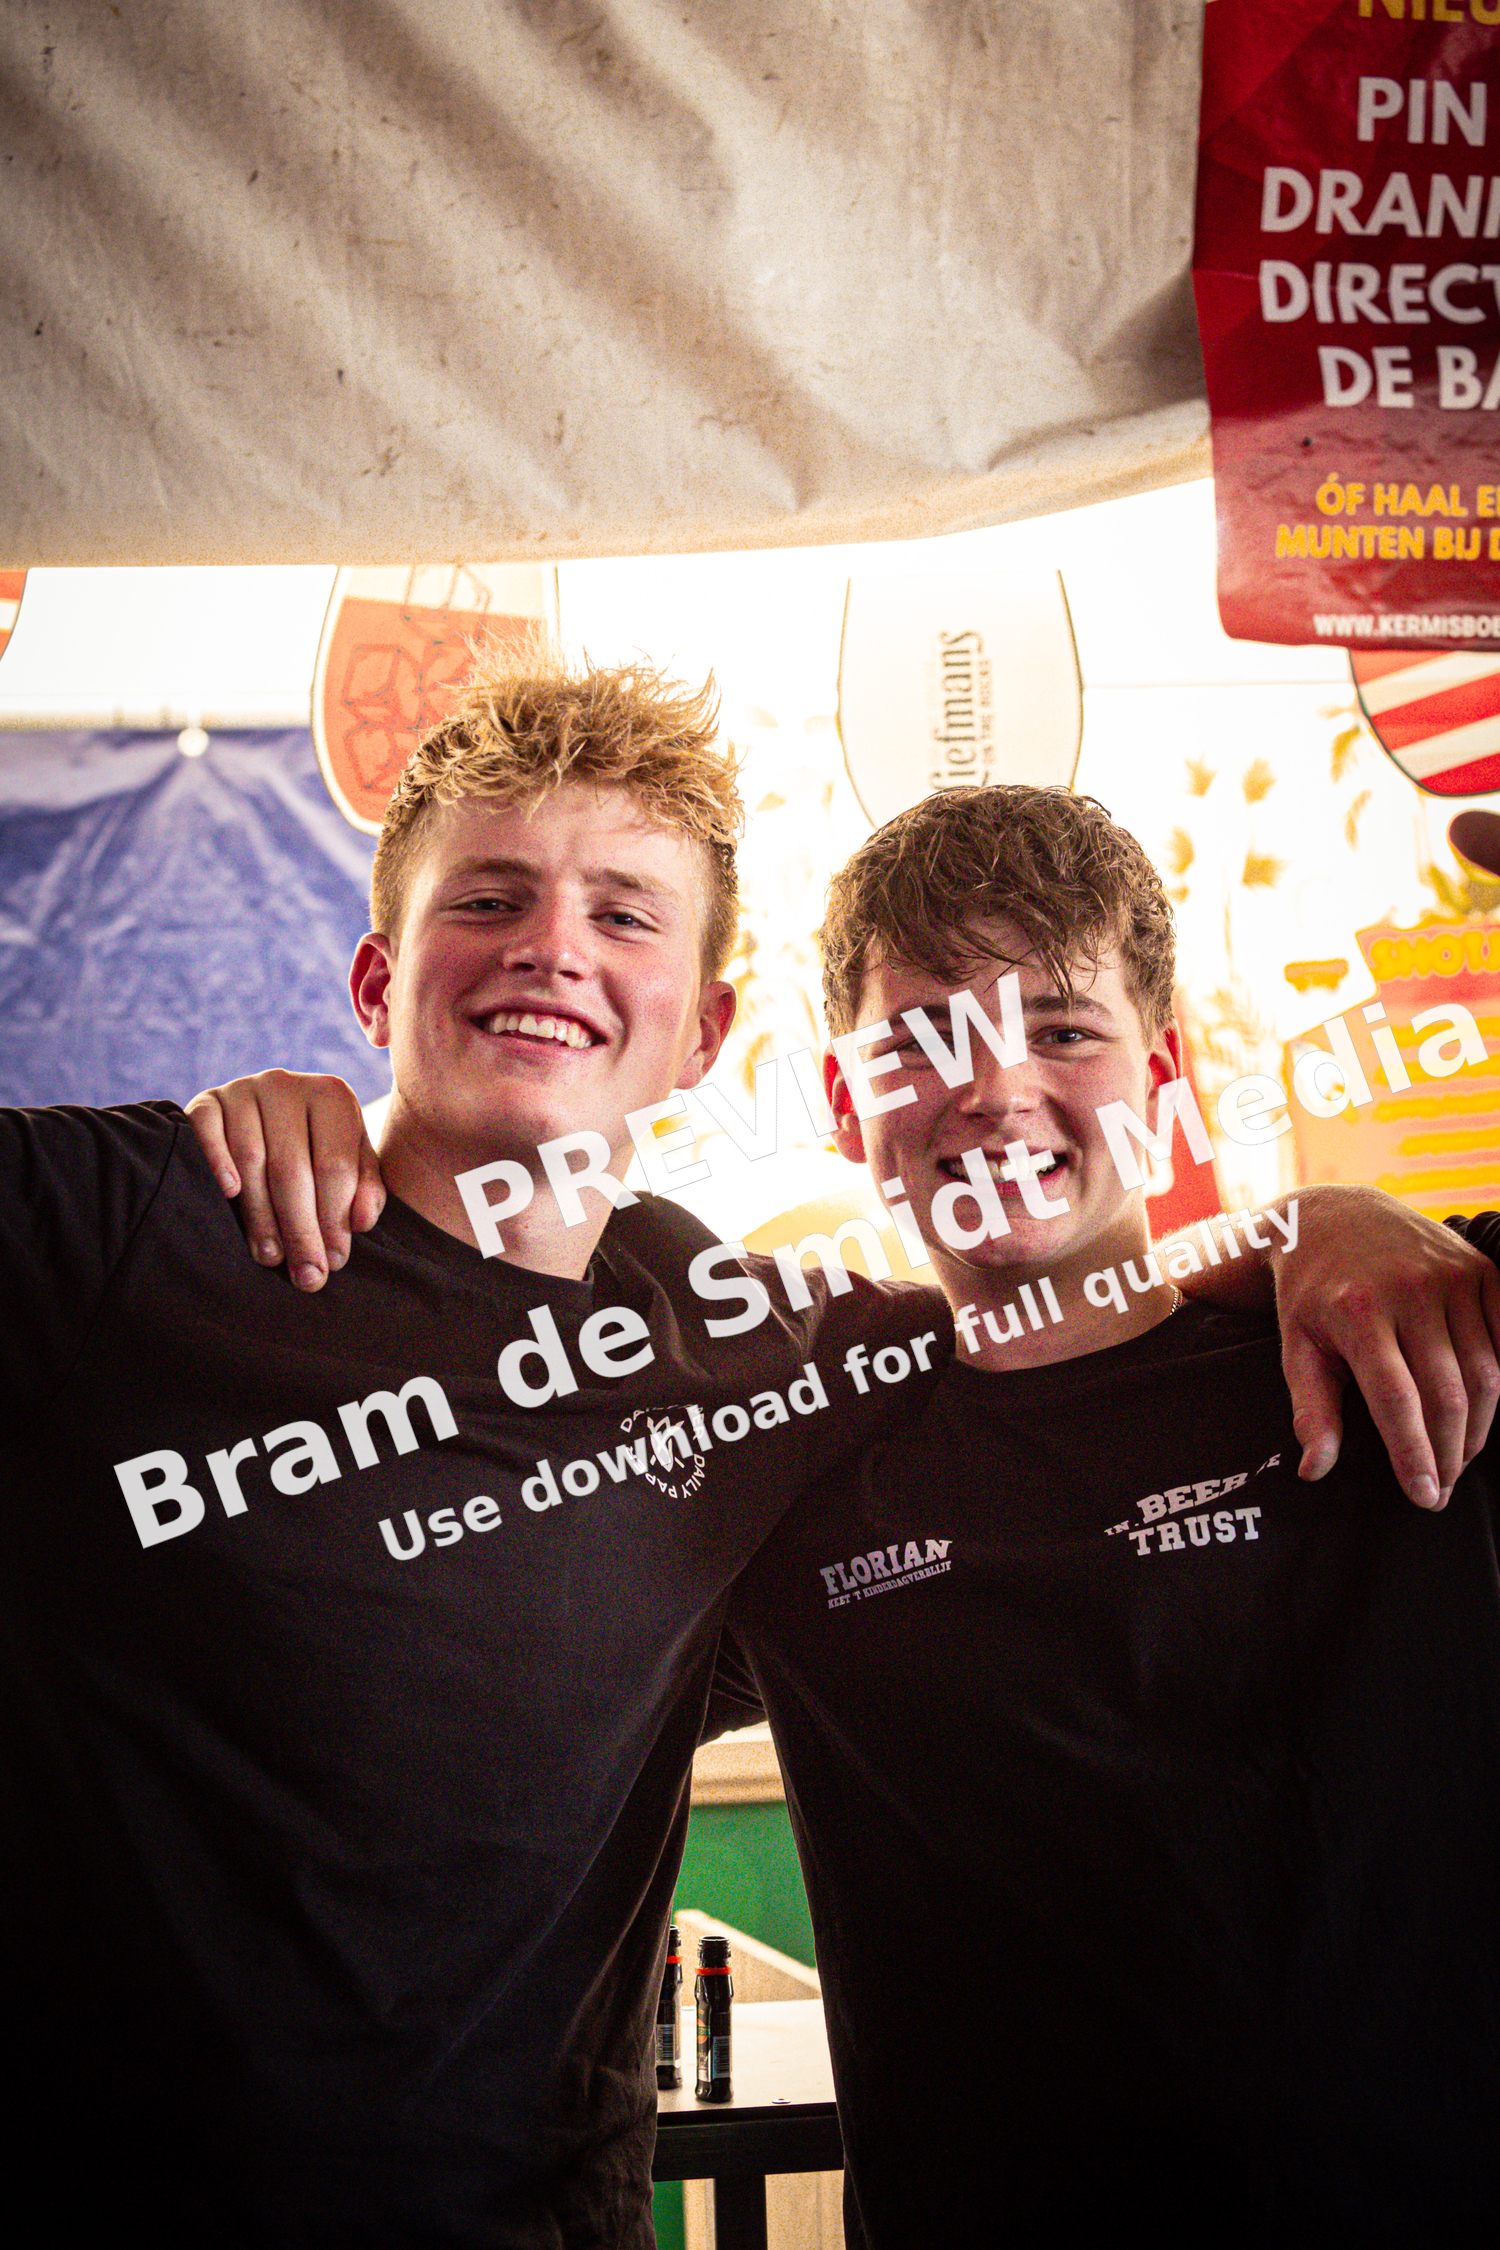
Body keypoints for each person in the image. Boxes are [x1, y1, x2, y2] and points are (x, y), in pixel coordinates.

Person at [0, 654, 930, 2248]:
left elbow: (1091, 1347)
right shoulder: (139, 1227)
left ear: (702, 1030)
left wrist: (1335, 1230)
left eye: (625, 912)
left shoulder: (760, 1362)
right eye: (489, 898)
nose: (553, 946)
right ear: (378, 984)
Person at [705, 784, 1500, 2242]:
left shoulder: (1407, 1325)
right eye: (923, 1038)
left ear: (1168, 1075)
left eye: (1063, 1027)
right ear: (841, 1106)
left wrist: (1328, 1214)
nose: (996, 1087)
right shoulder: (788, 1468)